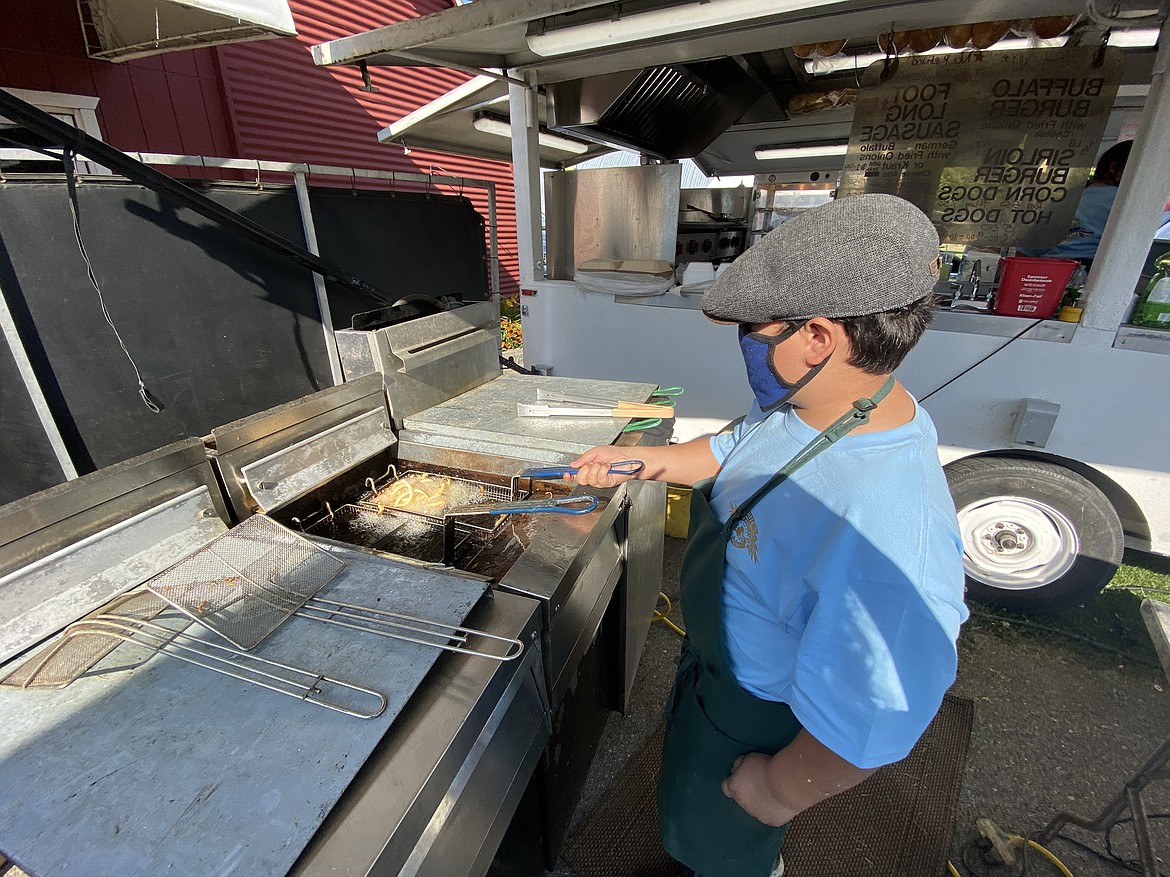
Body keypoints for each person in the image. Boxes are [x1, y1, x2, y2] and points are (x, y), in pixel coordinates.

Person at [566, 193, 968, 877]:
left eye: (754, 329)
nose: (745, 344)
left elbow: (875, 718)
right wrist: (644, 462)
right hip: (713, 678)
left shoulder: (886, 524)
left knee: (729, 847)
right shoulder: (817, 402)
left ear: (817, 337)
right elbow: (736, 449)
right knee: (687, 818)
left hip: (760, 716)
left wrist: (777, 788)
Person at [1021, 139, 1133, 264]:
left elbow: (1026, 251)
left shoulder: (1067, 197)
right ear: (1114, 168)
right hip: (1090, 270)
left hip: (1046, 269)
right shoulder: (1127, 201)